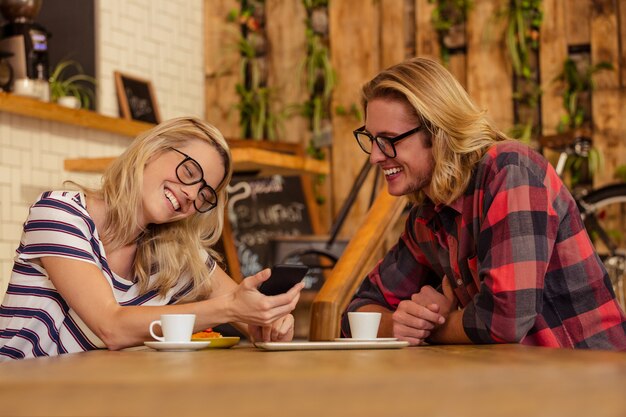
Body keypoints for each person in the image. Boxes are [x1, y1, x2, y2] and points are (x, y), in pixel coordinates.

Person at [341, 57, 626, 350]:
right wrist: (401, 324)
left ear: (437, 132)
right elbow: (356, 313)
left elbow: (505, 320)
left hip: (591, 378)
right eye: (371, 139)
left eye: (388, 140)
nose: (375, 156)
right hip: (520, 381)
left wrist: (433, 327)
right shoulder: (427, 218)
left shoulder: (509, 171)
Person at [0, 117, 304, 360]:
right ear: (153, 150)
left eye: (204, 194)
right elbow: (111, 326)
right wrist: (231, 308)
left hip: (84, 398)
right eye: (189, 172)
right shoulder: (60, 213)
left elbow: (245, 312)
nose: (190, 195)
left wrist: (269, 323)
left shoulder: (174, 252)